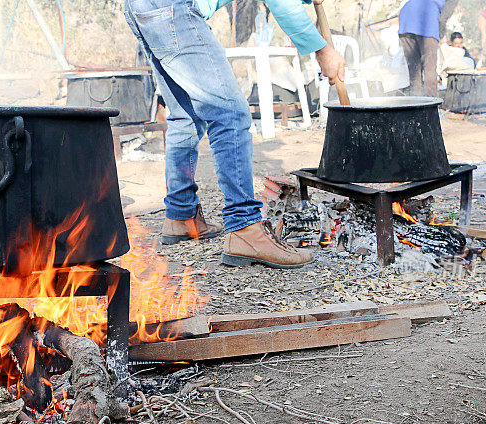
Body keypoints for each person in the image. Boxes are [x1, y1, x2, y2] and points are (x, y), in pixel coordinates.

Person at [123, 0, 345, 269]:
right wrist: (321, 49)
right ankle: (244, 228)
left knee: (185, 115)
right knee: (230, 112)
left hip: (144, 8)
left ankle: (181, 215)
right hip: (172, 10)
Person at [398, 0, 446, 97]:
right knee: (429, 69)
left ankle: (415, 105)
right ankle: (431, 106)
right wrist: (441, 35)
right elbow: (443, 18)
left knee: (414, 70)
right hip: (426, 22)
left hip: (405, 19)